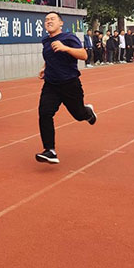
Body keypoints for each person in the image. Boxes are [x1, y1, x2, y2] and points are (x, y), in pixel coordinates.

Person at [35, 12, 97, 164]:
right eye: (46, 20)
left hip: (70, 84)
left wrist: (65, 48)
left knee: (79, 115)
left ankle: (87, 112)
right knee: (44, 113)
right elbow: (51, 57)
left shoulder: (69, 38)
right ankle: (50, 150)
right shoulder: (45, 40)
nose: (49, 21)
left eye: (52, 19)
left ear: (61, 23)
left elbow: (83, 55)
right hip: (51, 84)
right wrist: (45, 67)